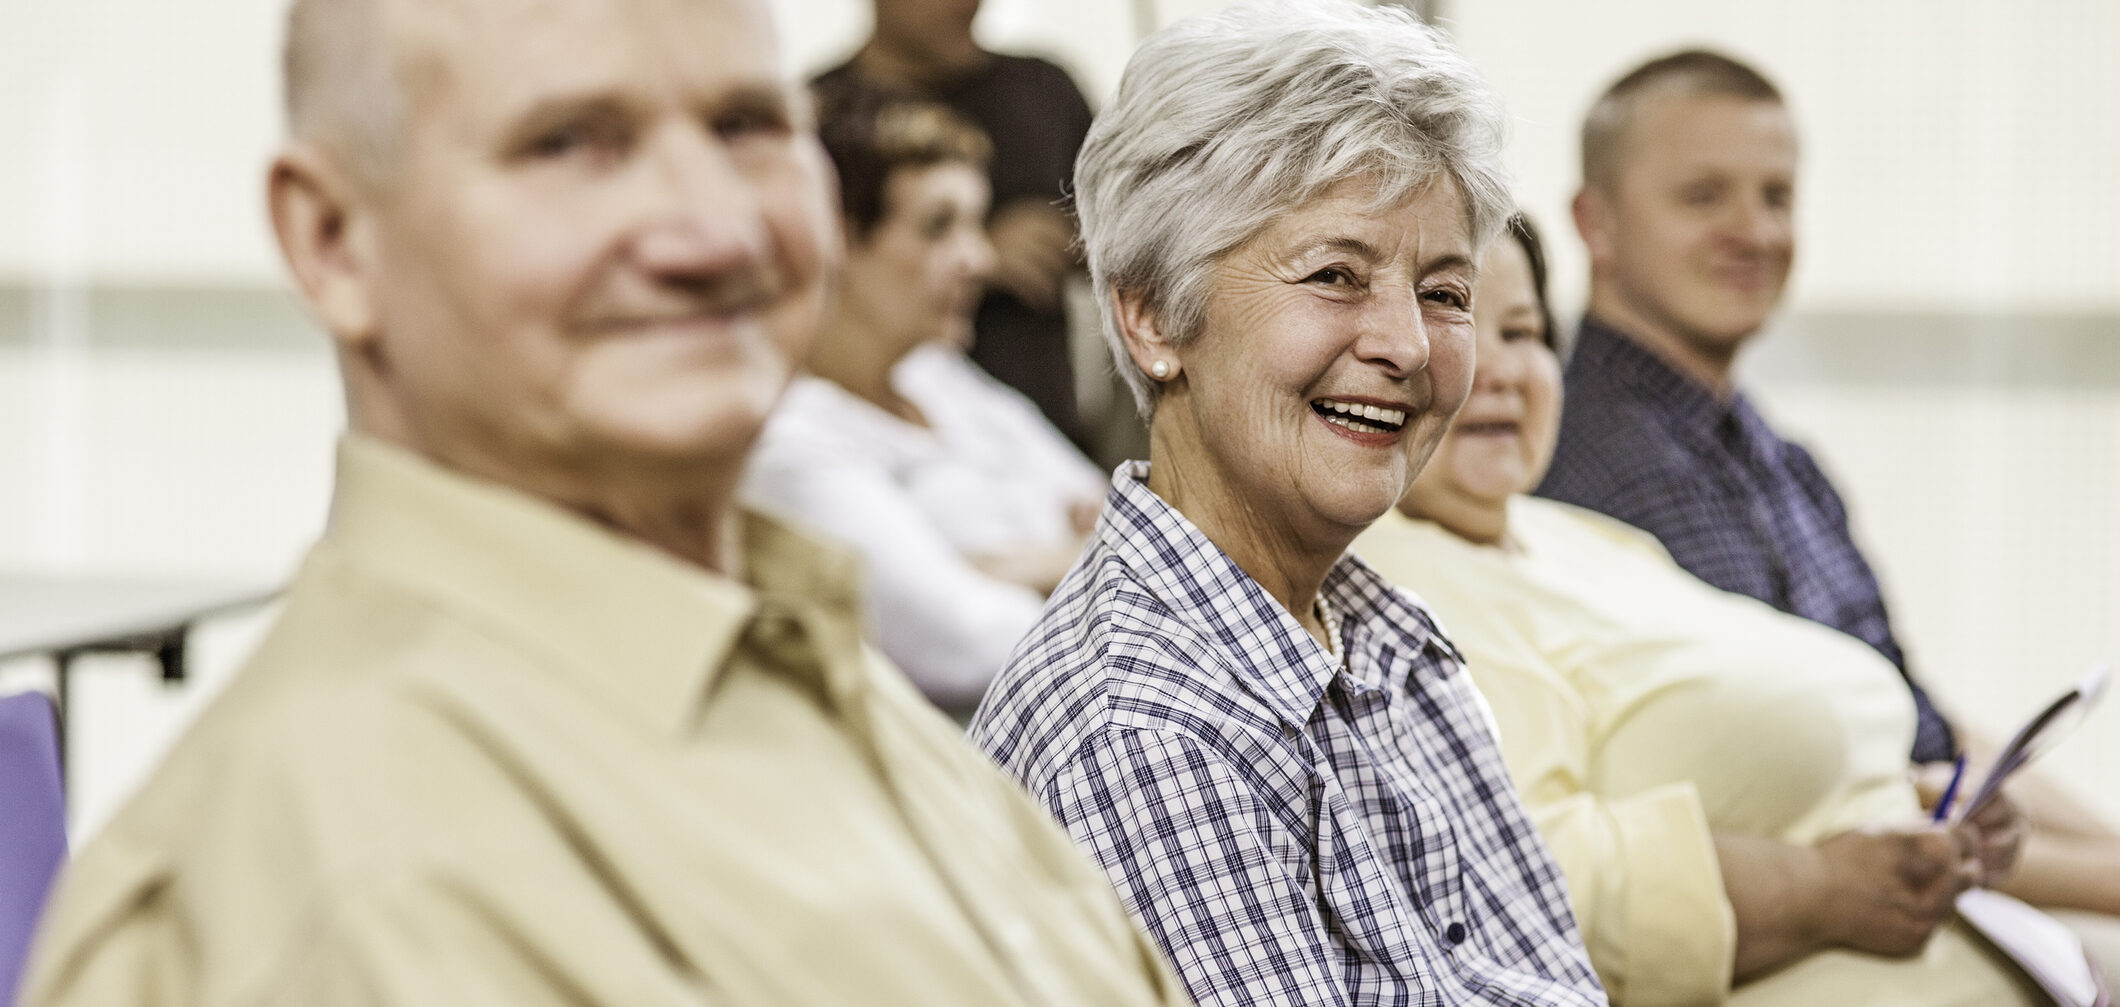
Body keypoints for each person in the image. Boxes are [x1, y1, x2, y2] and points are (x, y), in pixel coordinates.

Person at [17, 1, 1192, 1003]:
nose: (712, 229)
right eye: (569, 143)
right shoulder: (324, 879)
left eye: (744, 126)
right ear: (331, 240)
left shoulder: (799, 662)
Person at [969, 5, 1605, 1005]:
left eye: (1444, 292)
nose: (1404, 343)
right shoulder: (1143, 731)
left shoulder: (1386, 647)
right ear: (1147, 316)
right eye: (1334, 276)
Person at [1356, 214, 2052, 1006]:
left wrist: (1921, 812)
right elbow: (1521, 877)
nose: (1504, 370)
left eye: (1524, 331)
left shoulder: (1579, 537)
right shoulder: (1394, 582)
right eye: (1459, 327)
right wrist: (1819, 887)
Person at [1534, 47, 2120, 952]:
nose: (1754, 231)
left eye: (1776, 196)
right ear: (1595, 222)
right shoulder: (1600, 467)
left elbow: (1926, 726)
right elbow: (1848, 795)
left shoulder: (1778, 456)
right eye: (1703, 196)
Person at [742, 95, 1103, 711]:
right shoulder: (787, 442)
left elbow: (1125, 513)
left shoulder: (940, 379)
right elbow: (966, 644)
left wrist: (1001, 566)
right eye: (939, 226)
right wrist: (1087, 556)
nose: (980, 260)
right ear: (838, 240)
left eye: (976, 224)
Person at [816, 0, 1096, 448]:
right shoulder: (818, 114)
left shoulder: (1042, 90)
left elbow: (1137, 245)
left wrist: (1078, 240)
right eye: (938, 224)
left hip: (1042, 422)